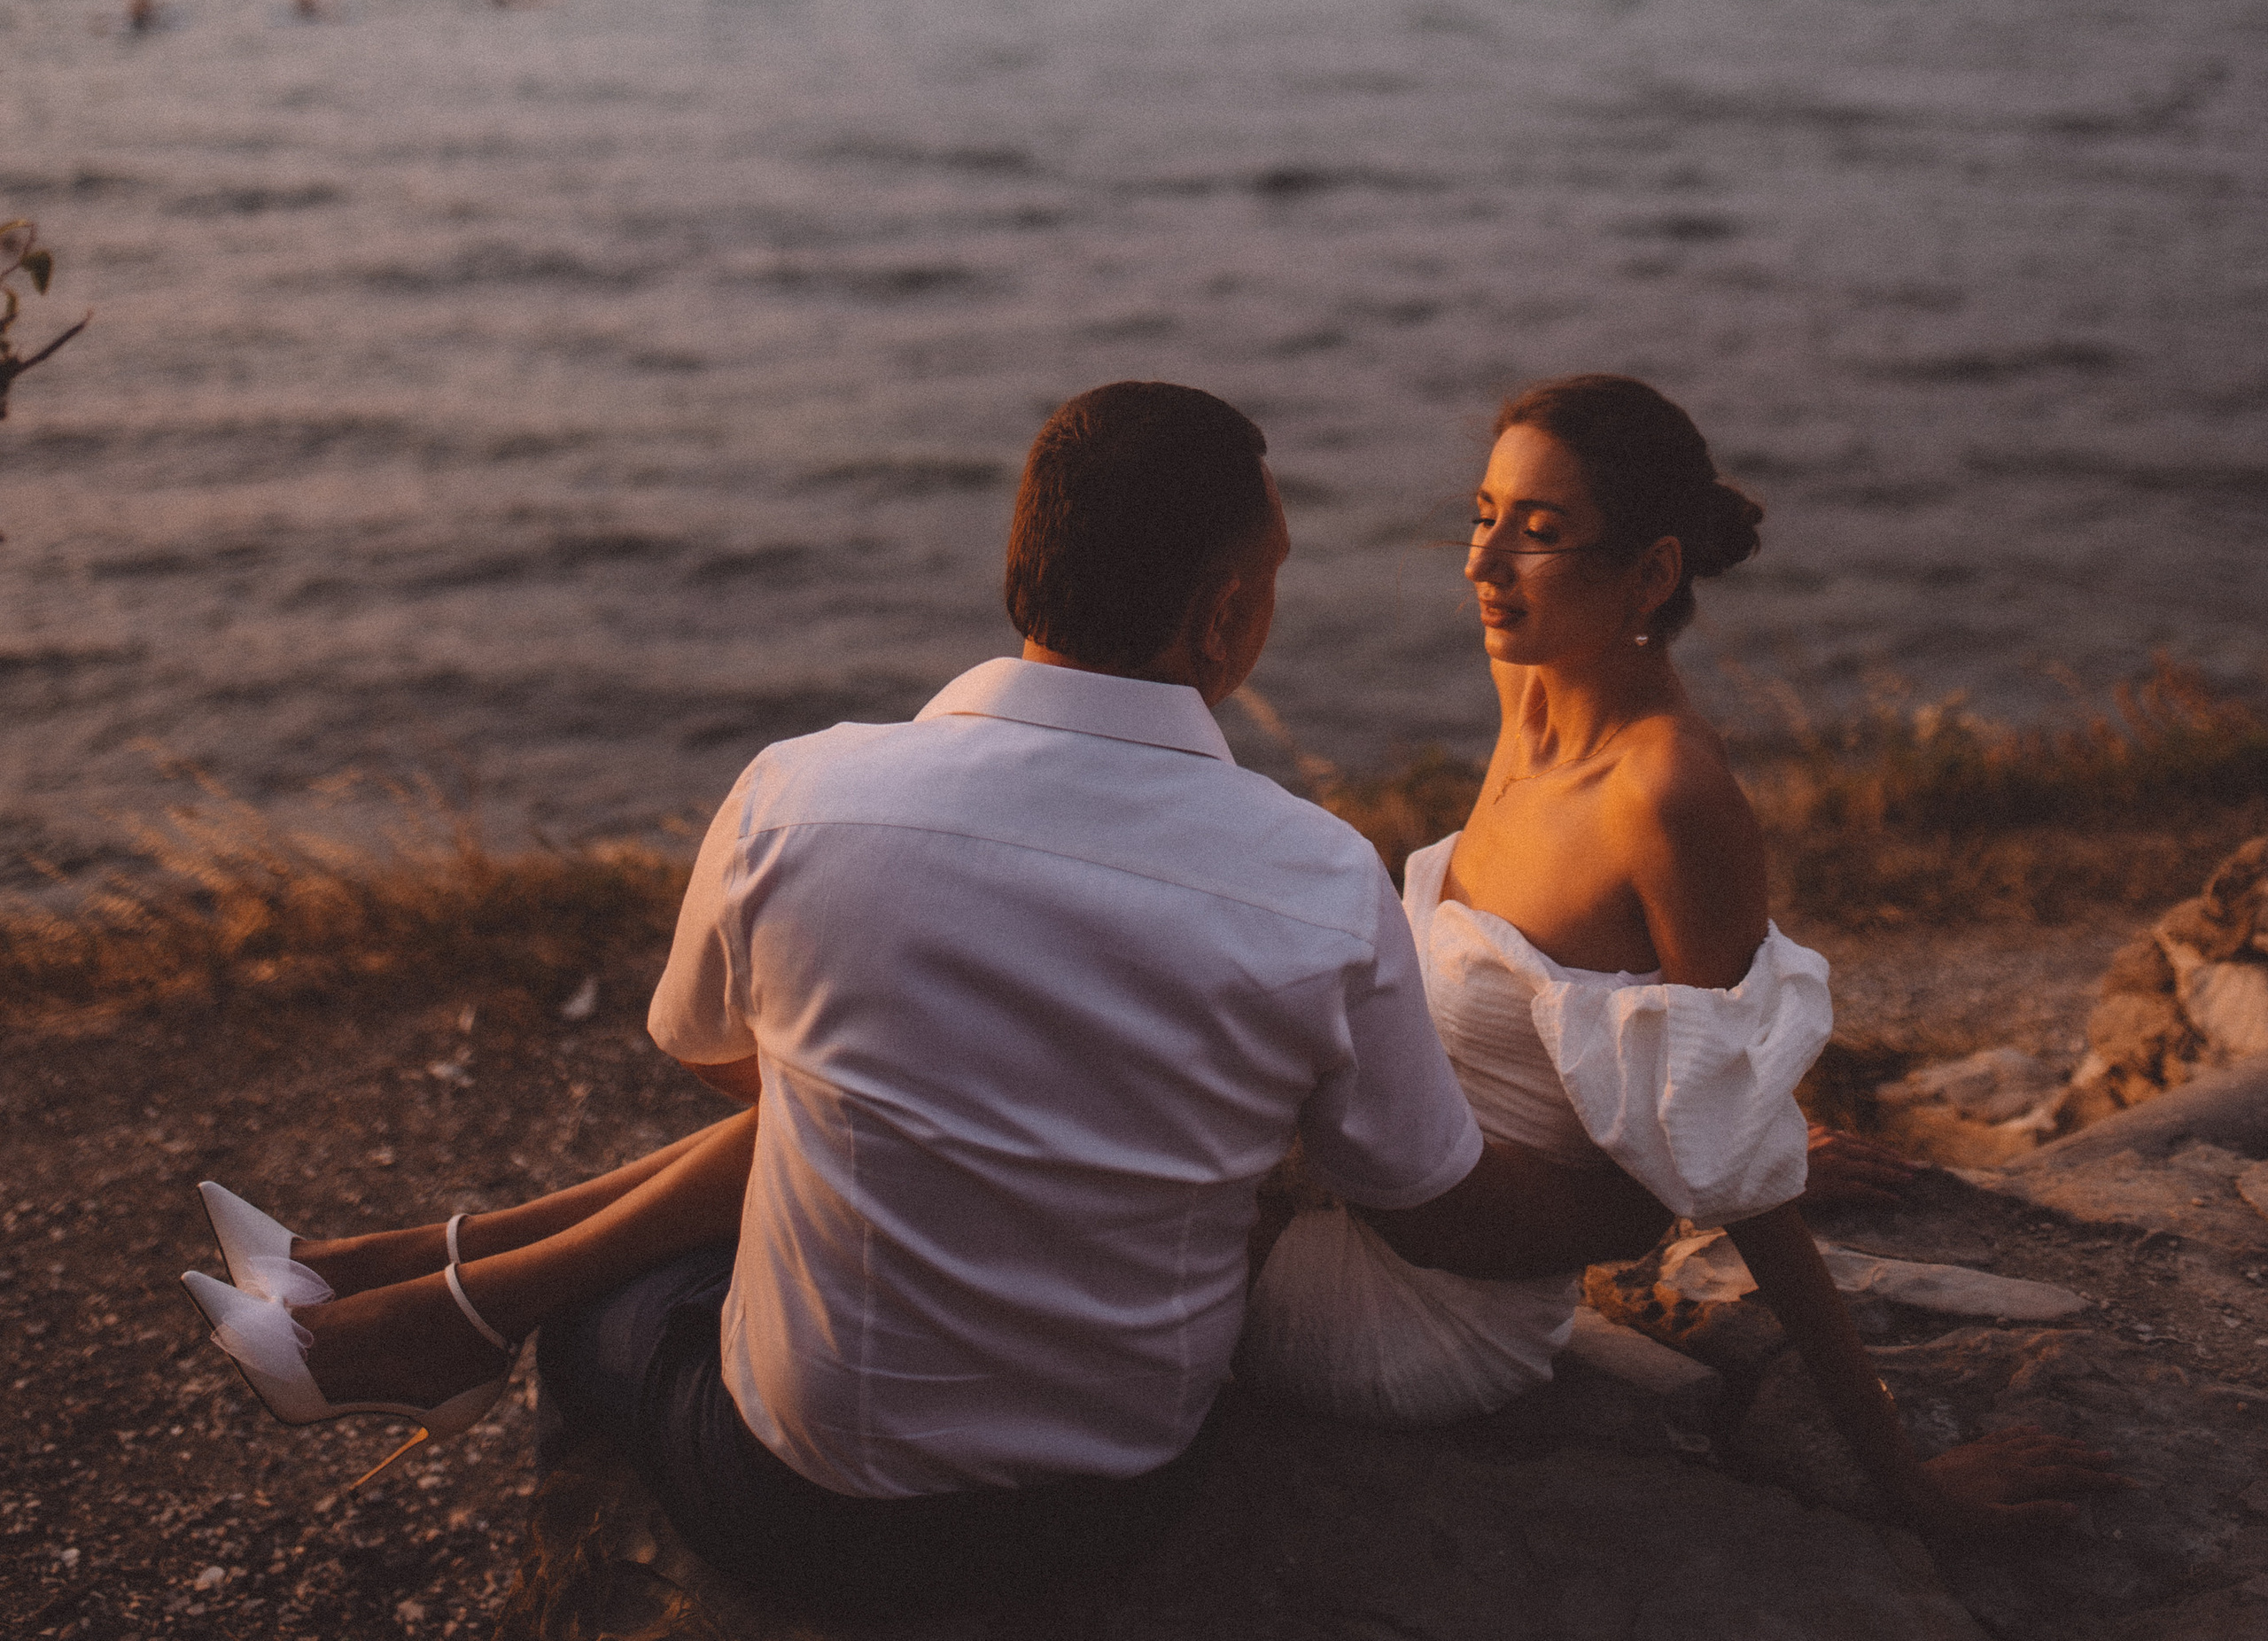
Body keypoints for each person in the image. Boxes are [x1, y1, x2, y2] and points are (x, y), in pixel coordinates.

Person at [183, 382, 1669, 1611]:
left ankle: (448, 1306)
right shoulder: (1316, 879)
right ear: (1224, 619)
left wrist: (938, 1075)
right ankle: (427, 1286)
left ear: (1027, 570)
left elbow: (716, 1058)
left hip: (805, 1508)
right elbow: (1435, 1208)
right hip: (1114, 1503)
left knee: (632, 1295)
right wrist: (1640, 1200)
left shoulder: (802, 796)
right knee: (860, 1101)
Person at [1238, 373, 2115, 1544]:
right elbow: (1679, 1048)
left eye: (1539, 532)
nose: (1483, 563)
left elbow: (1727, 1138)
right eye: (1483, 515)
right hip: (1395, 1198)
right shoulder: (1529, 679)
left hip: (1419, 1320)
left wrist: (1903, 1477)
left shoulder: (1665, 796)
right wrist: (1748, 1144)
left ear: (1650, 574)